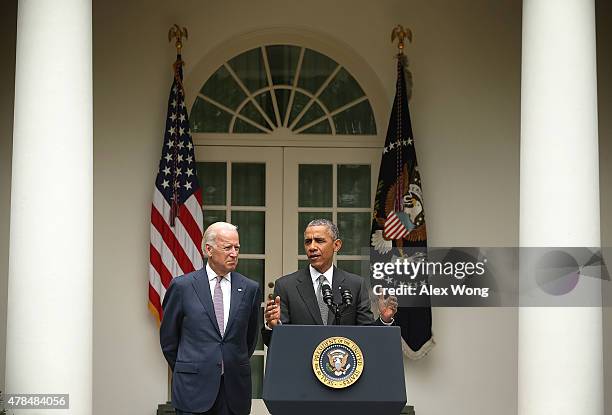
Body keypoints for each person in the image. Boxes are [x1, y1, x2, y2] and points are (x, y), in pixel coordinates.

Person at [160, 222, 261, 415]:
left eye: (237, 248)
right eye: (227, 247)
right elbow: (169, 341)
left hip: (234, 392)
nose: (234, 253)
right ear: (209, 249)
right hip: (193, 390)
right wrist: (194, 367)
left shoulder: (250, 288)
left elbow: (249, 339)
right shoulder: (183, 287)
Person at [262, 218, 397, 346]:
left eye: (319, 241)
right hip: (301, 365)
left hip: (342, 366)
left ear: (336, 245)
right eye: (308, 241)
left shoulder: (355, 285)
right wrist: (273, 326)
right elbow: (273, 342)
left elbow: (367, 335)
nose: (312, 247)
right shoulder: (286, 286)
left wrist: (384, 319)